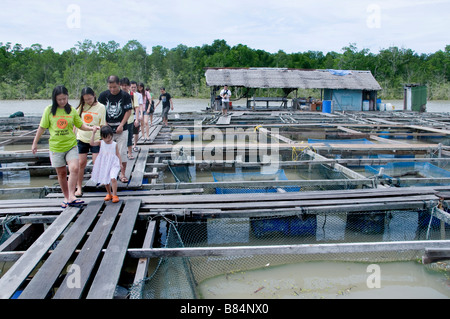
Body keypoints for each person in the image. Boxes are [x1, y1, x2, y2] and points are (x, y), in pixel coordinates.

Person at [31, 85, 98, 209]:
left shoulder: (71, 110)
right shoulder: (49, 110)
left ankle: (72, 195)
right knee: (61, 173)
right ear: (55, 99)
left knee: (74, 168)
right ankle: (66, 197)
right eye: (59, 99)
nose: (62, 101)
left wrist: (90, 128)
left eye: (64, 99)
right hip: (56, 147)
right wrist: (35, 143)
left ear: (68, 97)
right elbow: (42, 127)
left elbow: (80, 125)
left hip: (71, 145)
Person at [98, 75, 132, 183]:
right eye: (110, 87)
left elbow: (128, 111)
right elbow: (100, 110)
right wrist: (105, 124)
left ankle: (122, 174)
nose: (112, 89)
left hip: (122, 128)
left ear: (119, 85)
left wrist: (121, 125)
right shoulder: (103, 95)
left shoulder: (125, 95)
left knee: (122, 152)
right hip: (107, 129)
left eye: (114, 87)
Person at [74, 87, 106, 197]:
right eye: (86, 99)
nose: (88, 101)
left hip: (96, 138)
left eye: (90, 98)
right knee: (81, 163)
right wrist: (73, 137)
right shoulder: (81, 107)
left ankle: (100, 181)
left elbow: (103, 125)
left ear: (94, 95)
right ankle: (78, 187)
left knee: (96, 161)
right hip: (82, 138)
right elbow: (76, 123)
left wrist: (104, 139)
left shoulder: (101, 107)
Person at [90, 125, 121, 203]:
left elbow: (118, 154)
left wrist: (120, 163)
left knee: (113, 177)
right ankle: (109, 193)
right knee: (105, 179)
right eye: (106, 137)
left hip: (113, 163)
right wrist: (93, 133)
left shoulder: (114, 144)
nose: (108, 139)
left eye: (110, 137)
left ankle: (115, 195)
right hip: (104, 163)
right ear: (102, 137)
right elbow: (92, 143)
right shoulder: (101, 143)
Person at [130, 81, 143, 151]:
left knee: (136, 132)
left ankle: (134, 145)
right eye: (132, 87)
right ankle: (129, 145)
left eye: (135, 87)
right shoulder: (127, 95)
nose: (133, 88)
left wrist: (141, 115)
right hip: (129, 116)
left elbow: (140, 106)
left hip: (136, 116)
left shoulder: (139, 95)